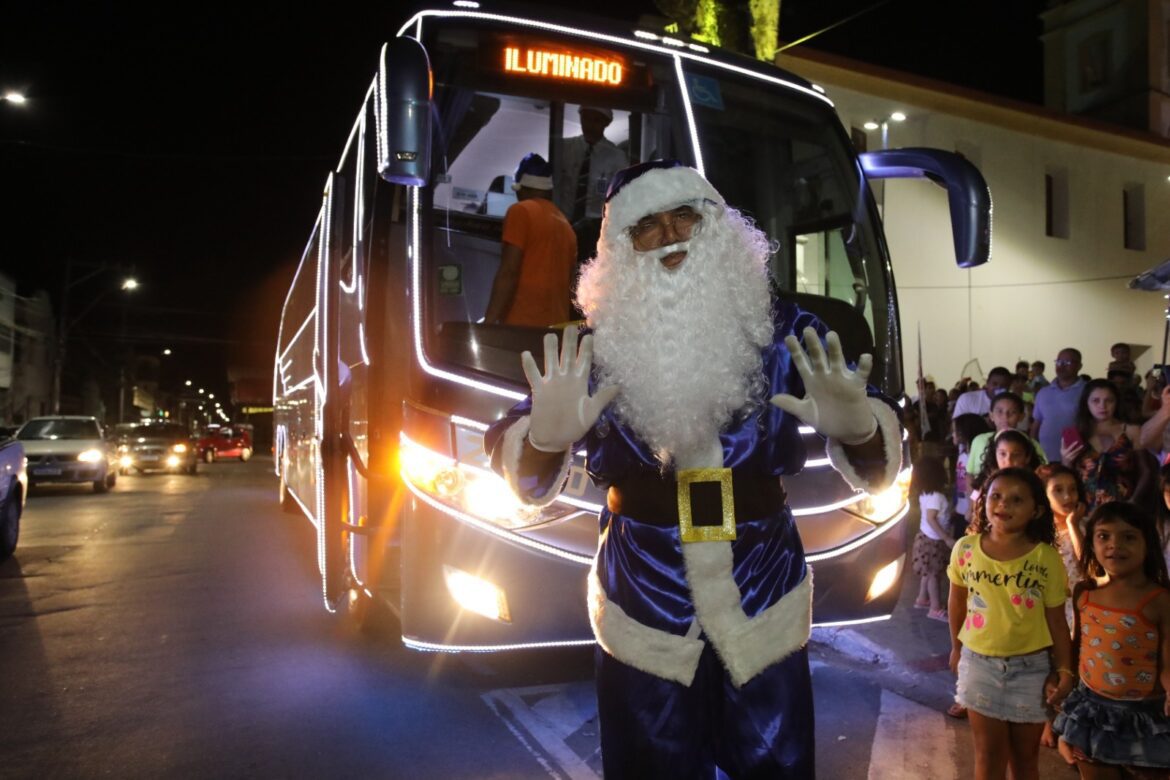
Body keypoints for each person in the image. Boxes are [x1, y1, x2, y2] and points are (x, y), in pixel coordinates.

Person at [484, 160, 901, 778]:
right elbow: (518, 469)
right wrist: (542, 440)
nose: (670, 234)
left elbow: (883, 456)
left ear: (718, 227)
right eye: (646, 226)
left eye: (685, 215)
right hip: (644, 592)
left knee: (774, 764)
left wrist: (865, 431)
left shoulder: (787, 330)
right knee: (650, 763)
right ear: (619, 250)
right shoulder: (591, 350)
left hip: (762, 584)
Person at [947, 467, 1073, 780]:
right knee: (988, 757)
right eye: (997, 496)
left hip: (1032, 670)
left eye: (1017, 500)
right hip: (980, 666)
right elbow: (957, 602)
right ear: (984, 501)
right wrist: (956, 648)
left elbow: (1057, 620)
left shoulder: (1046, 558)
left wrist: (1066, 670)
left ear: (1036, 510)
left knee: (1025, 760)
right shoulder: (965, 549)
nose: (1004, 505)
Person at [1052, 501, 1170, 777]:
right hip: (1091, 712)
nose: (1115, 545)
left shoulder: (1160, 600)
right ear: (1091, 542)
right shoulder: (1085, 592)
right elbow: (1076, 645)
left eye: (1129, 537)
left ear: (1147, 545)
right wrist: (1064, 680)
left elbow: (1168, 660)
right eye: (1104, 536)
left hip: (1147, 714)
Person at [483, 153, 577, 326]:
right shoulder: (565, 225)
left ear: (521, 187)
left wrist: (488, 323)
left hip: (522, 326)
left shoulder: (521, 212)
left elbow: (509, 273)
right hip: (556, 328)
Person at [1061, 378, 1151, 512]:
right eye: (1095, 400)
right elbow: (1066, 476)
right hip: (1085, 509)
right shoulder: (1078, 432)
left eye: (1109, 400)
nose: (1102, 406)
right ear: (1086, 403)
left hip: (1124, 507)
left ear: (1117, 403)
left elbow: (1146, 471)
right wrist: (1066, 461)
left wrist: (1134, 502)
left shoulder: (1131, 430)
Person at [553, 106, 629, 263]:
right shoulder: (565, 148)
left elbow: (623, 198)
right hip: (562, 224)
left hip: (595, 230)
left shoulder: (617, 158)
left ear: (605, 124)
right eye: (586, 118)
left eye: (596, 120)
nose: (590, 125)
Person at [965, 392, 1045, 487]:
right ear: (991, 415)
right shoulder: (979, 441)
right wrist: (972, 500)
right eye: (999, 411)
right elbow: (970, 474)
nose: (1005, 417)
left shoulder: (1031, 443)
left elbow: (1042, 474)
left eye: (1012, 412)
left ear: (1021, 416)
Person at [912, 456, 955, 621]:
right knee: (934, 575)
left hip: (925, 538)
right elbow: (931, 518)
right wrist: (946, 538)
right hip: (932, 541)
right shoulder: (936, 496)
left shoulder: (925, 494)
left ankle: (922, 599)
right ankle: (935, 609)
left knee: (928, 573)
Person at [1031, 348, 1086, 462]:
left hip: (1076, 457)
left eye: (1067, 363)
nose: (1061, 366)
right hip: (1045, 457)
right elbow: (1037, 423)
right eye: (1059, 362)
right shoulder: (1044, 392)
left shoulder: (1087, 391)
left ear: (1079, 366)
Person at [953, 413, 993, 537]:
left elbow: (978, 486)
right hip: (961, 509)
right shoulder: (963, 455)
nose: (953, 435)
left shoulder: (977, 459)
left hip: (972, 513)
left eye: (955, 431)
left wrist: (971, 507)